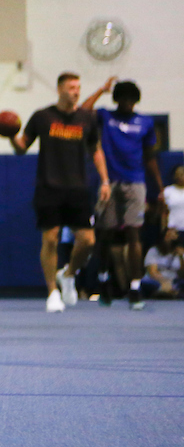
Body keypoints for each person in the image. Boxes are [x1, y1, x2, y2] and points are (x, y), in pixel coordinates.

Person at [6, 73, 110, 312]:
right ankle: (52, 292)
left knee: (88, 241)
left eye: (78, 87)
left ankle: (69, 274)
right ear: (59, 90)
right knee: (50, 238)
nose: (76, 92)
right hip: (49, 187)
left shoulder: (87, 118)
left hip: (78, 188)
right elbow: (22, 148)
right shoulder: (42, 116)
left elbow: (96, 150)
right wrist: (11, 135)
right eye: (72, 87)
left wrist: (105, 181)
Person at [81, 78, 163, 309]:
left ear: (136, 100)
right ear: (117, 99)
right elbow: (82, 112)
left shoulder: (145, 122)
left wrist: (160, 187)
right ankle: (104, 280)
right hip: (109, 182)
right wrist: (101, 90)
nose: (128, 103)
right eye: (124, 99)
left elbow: (149, 156)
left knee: (134, 233)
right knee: (105, 234)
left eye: (131, 100)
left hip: (135, 182)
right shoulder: (106, 116)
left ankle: (134, 288)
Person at [141, 228, 181, 299]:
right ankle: (165, 292)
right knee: (146, 283)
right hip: (156, 280)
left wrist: (181, 257)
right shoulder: (153, 251)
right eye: (167, 236)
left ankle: (168, 292)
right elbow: (153, 272)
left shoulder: (179, 253)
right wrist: (164, 282)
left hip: (173, 280)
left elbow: (181, 273)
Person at [164, 165, 184, 236]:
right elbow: (164, 212)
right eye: (177, 174)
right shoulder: (168, 191)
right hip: (173, 229)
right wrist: (165, 229)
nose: (180, 177)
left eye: (182, 174)